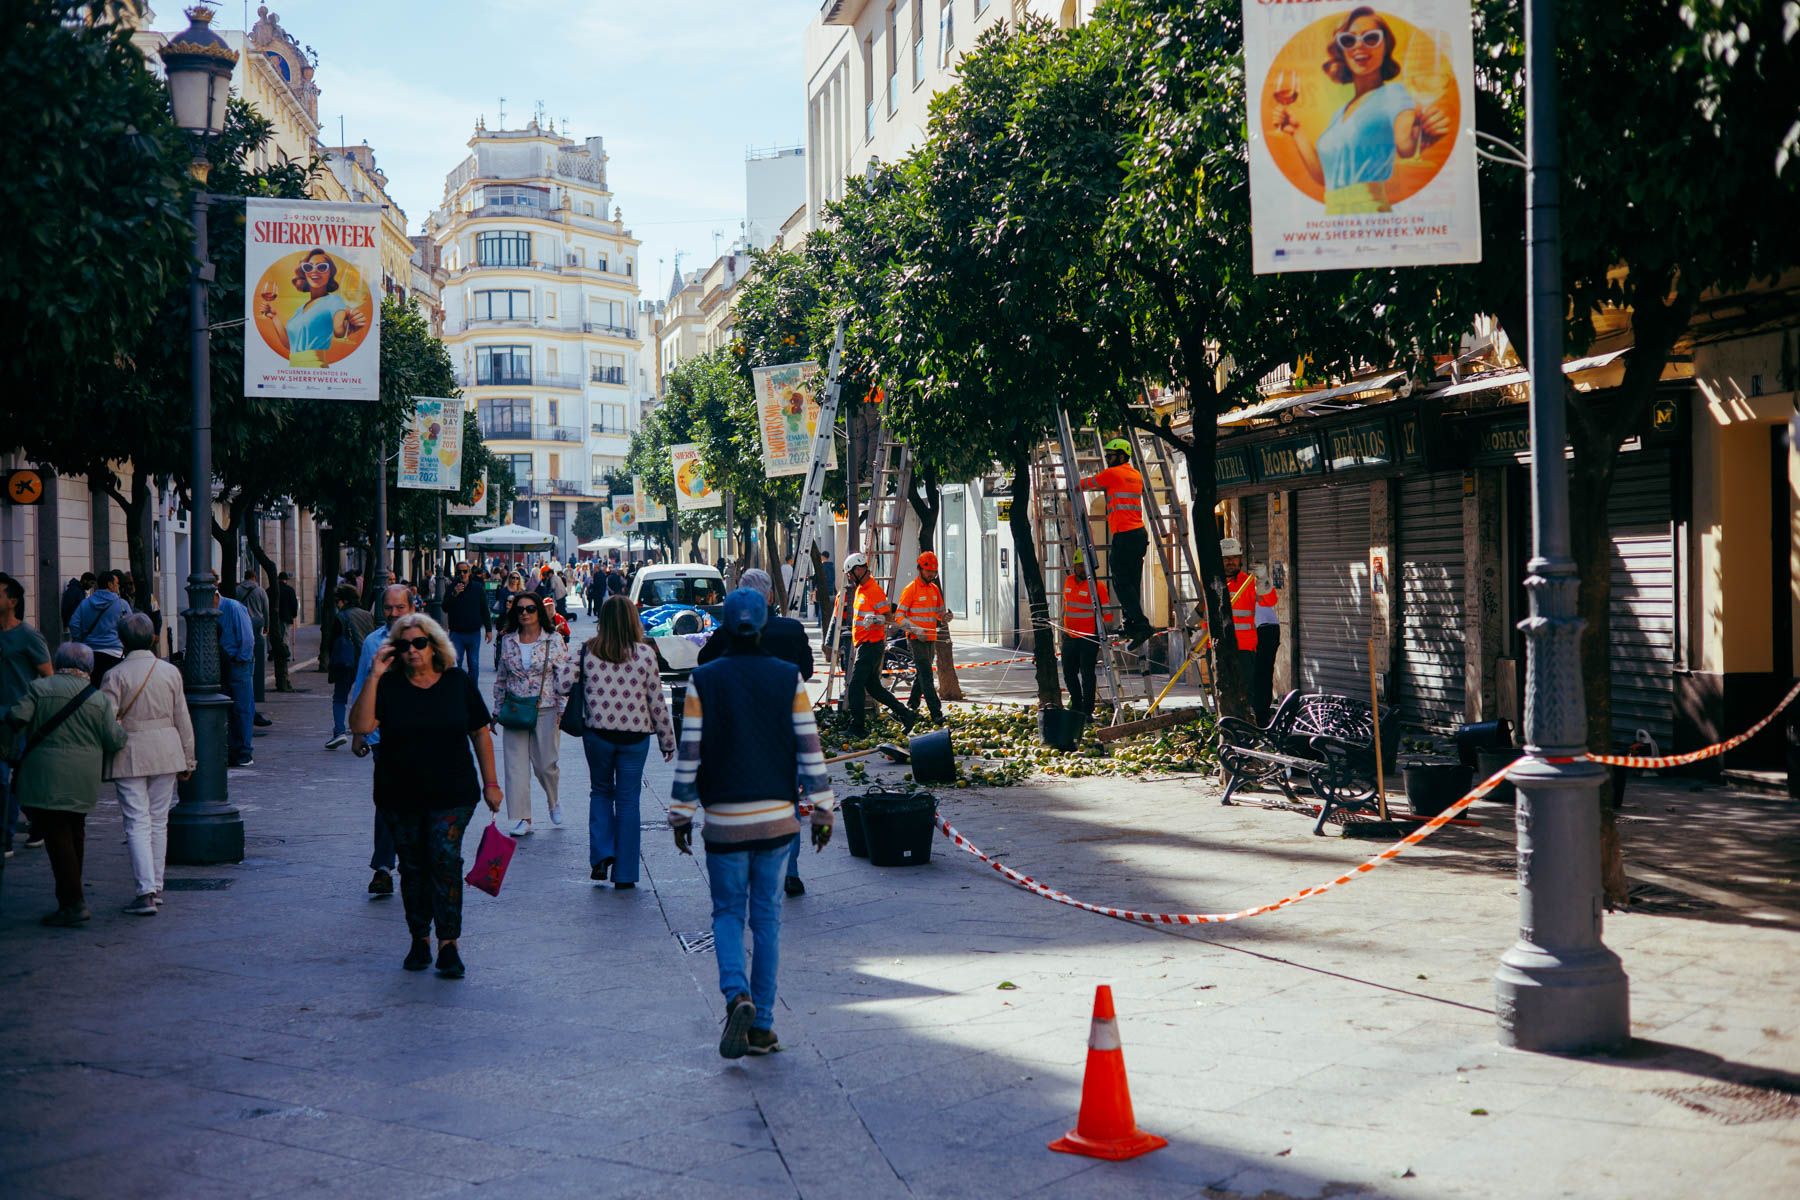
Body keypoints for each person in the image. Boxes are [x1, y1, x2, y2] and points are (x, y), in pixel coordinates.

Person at [670, 588, 835, 1058]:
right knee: (767, 920)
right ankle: (762, 1023)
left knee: (726, 913)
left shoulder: (704, 678)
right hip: (777, 821)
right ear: (763, 625)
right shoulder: (788, 678)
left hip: (723, 819)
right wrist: (822, 810)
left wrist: (681, 813)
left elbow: (690, 752)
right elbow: (810, 749)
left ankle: (734, 994)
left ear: (725, 626)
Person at [349, 613, 501, 978]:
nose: (413, 651)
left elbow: (480, 733)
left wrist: (491, 784)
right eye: (405, 645)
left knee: (445, 861)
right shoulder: (388, 686)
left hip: (453, 792)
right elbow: (362, 726)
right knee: (413, 866)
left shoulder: (456, 682)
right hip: (399, 793)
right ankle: (420, 939)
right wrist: (374, 675)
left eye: (420, 643)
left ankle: (449, 944)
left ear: (434, 646)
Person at [696, 569, 815, 897]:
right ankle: (788, 872)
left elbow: (703, 664)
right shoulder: (791, 630)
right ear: (771, 597)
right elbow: (806, 670)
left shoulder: (726, 636)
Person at [1273, 5, 1449, 215]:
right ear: (1343, 52)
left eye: (1371, 38)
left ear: (1385, 46)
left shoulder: (1394, 94)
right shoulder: (1339, 114)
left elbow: (1405, 145)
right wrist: (1296, 131)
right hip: (1334, 215)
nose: (1359, 46)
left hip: (1370, 214)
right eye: (1349, 40)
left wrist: (1420, 134)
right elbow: (1324, 176)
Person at [2, 643, 126, 927]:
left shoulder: (39, 688)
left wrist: (8, 751)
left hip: (44, 776)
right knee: (74, 831)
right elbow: (114, 740)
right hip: (83, 778)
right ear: (89, 667)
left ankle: (73, 901)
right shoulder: (98, 700)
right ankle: (71, 896)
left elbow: (16, 718)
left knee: (58, 836)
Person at [561, 596, 676, 888]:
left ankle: (600, 855)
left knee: (600, 792)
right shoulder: (646, 654)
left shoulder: (588, 650)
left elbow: (562, 684)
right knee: (628, 802)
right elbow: (656, 701)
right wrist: (667, 740)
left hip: (597, 735)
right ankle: (625, 873)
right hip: (635, 738)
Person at [100, 614, 194, 916]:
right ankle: (157, 885)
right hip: (167, 749)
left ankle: (145, 891)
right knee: (158, 820)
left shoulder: (114, 675)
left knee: (136, 822)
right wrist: (188, 757)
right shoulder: (169, 672)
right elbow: (183, 717)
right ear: (153, 637)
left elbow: (106, 722)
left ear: (122, 641)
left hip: (130, 750)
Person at [348, 585, 417, 894]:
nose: (393, 613)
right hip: (383, 737)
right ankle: (383, 867)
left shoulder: (428, 641)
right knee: (388, 801)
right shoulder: (373, 642)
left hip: (422, 737)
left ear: (411, 607)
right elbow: (362, 685)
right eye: (388, 608)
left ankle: (414, 861)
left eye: (399, 607)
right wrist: (358, 732)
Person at [491, 592, 570, 837]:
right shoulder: (508, 640)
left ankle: (553, 800)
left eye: (530, 608)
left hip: (545, 706)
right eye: (520, 609)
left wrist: (563, 708)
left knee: (546, 764)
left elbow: (564, 677)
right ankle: (523, 817)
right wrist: (496, 711)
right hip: (514, 707)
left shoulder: (554, 640)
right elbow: (502, 678)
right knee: (515, 766)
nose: (525, 613)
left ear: (539, 612)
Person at [1078, 437, 1152, 646]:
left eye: (1110, 456)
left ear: (1121, 455)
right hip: (1138, 535)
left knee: (1120, 582)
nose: (1108, 460)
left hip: (1125, 535)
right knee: (1132, 583)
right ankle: (1132, 624)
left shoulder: (1113, 474)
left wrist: (1072, 485)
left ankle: (1140, 623)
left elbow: (1087, 484)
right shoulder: (1136, 475)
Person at [1, 572, 53, 859]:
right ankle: (9, 835)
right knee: (7, 780)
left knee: (17, 780)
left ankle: (31, 826)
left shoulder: (28, 636)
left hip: (19, 718)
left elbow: (47, 675)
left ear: (12, 601)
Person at [841, 553, 916, 737]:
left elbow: (889, 617)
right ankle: (906, 715)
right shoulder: (861, 589)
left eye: (850, 573)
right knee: (874, 688)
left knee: (855, 686)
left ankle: (857, 727)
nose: (849, 577)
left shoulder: (874, 590)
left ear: (858, 569)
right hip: (864, 645)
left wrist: (878, 618)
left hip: (870, 646)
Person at [256, 247, 370, 368]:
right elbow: (290, 344)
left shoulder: (334, 301)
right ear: (305, 273)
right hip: (294, 367)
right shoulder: (301, 309)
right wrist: (274, 318)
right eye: (309, 267)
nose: (314, 271)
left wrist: (351, 325)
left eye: (321, 267)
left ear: (330, 273)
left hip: (315, 367)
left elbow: (338, 331)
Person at [1219, 539, 1279, 721]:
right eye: (1226, 558)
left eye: (1235, 558)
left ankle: (1255, 724)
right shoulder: (1214, 583)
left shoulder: (1249, 583)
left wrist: (1263, 579)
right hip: (1220, 647)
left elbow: (1269, 601)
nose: (1231, 562)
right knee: (1224, 690)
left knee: (1250, 688)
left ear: (1241, 559)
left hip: (1247, 645)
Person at [1060, 554, 1115, 720]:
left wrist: (1105, 633)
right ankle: (1076, 704)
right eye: (1080, 566)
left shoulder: (1098, 586)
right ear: (1075, 567)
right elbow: (1065, 606)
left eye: (1086, 566)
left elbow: (1106, 612)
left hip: (1089, 638)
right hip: (1069, 636)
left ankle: (1087, 709)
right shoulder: (1068, 581)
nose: (1083, 569)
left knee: (1087, 673)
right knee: (1068, 672)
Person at [897, 552, 948, 726]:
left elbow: (940, 613)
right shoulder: (910, 589)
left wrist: (946, 617)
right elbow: (899, 617)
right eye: (928, 572)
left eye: (934, 572)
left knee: (922, 673)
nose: (931, 575)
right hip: (915, 638)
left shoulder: (934, 590)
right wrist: (915, 629)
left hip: (930, 638)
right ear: (920, 569)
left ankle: (912, 705)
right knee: (926, 674)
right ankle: (936, 712)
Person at [325, 585, 376, 749]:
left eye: (338, 601)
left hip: (346, 662)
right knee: (364, 698)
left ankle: (339, 731)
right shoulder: (368, 615)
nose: (337, 604)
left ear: (344, 600)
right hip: (365, 661)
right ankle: (365, 732)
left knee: (339, 698)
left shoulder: (341, 617)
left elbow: (333, 641)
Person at [215, 585, 258, 767]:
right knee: (231, 710)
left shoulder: (233, 608)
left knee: (242, 708)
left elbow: (247, 639)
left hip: (238, 664)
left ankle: (244, 751)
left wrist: (239, 659)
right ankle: (234, 749)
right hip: (226, 663)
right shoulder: (217, 610)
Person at [67, 569, 133, 684]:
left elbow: (73, 624)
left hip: (90, 654)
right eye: (116, 583)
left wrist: (80, 640)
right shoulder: (122, 604)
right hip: (115, 653)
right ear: (110, 584)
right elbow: (130, 627)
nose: (118, 586)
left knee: (93, 688)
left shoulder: (85, 603)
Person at [442, 560, 494, 684]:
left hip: (473, 632)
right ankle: (457, 691)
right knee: (456, 664)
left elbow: (484, 609)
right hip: (457, 633)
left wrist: (489, 629)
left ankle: (472, 692)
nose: (462, 574)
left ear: (469, 573)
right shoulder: (451, 587)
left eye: (465, 571)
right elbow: (444, 607)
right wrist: (454, 594)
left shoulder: (477, 587)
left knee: (474, 664)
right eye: (459, 572)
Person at [236, 569, 271, 708]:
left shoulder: (238, 589)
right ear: (254, 577)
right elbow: (266, 609)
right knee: (257, 650)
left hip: (243, 622)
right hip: (257, 623)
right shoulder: (260, 590)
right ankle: (257, 688)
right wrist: (266, 625)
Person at [272, 571, 300, 692]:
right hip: (286, 617)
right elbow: (294, 604)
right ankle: (284, 653)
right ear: (286, 580)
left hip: (275, 618)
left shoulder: (271, 589)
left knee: (276, 637)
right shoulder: (289, 590)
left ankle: (274, 651)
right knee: (285, 638)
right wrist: (294, 615)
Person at [813, 550, 836, 635]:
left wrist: (815, 586)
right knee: (828, 605)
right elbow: (832, 579)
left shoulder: (822, 567)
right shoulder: (832, 567)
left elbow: (818, 578)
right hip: (830, 589)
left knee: (821, 606)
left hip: (822, 589)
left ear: (822, 557)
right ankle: (827, 621)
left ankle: (820, 622)